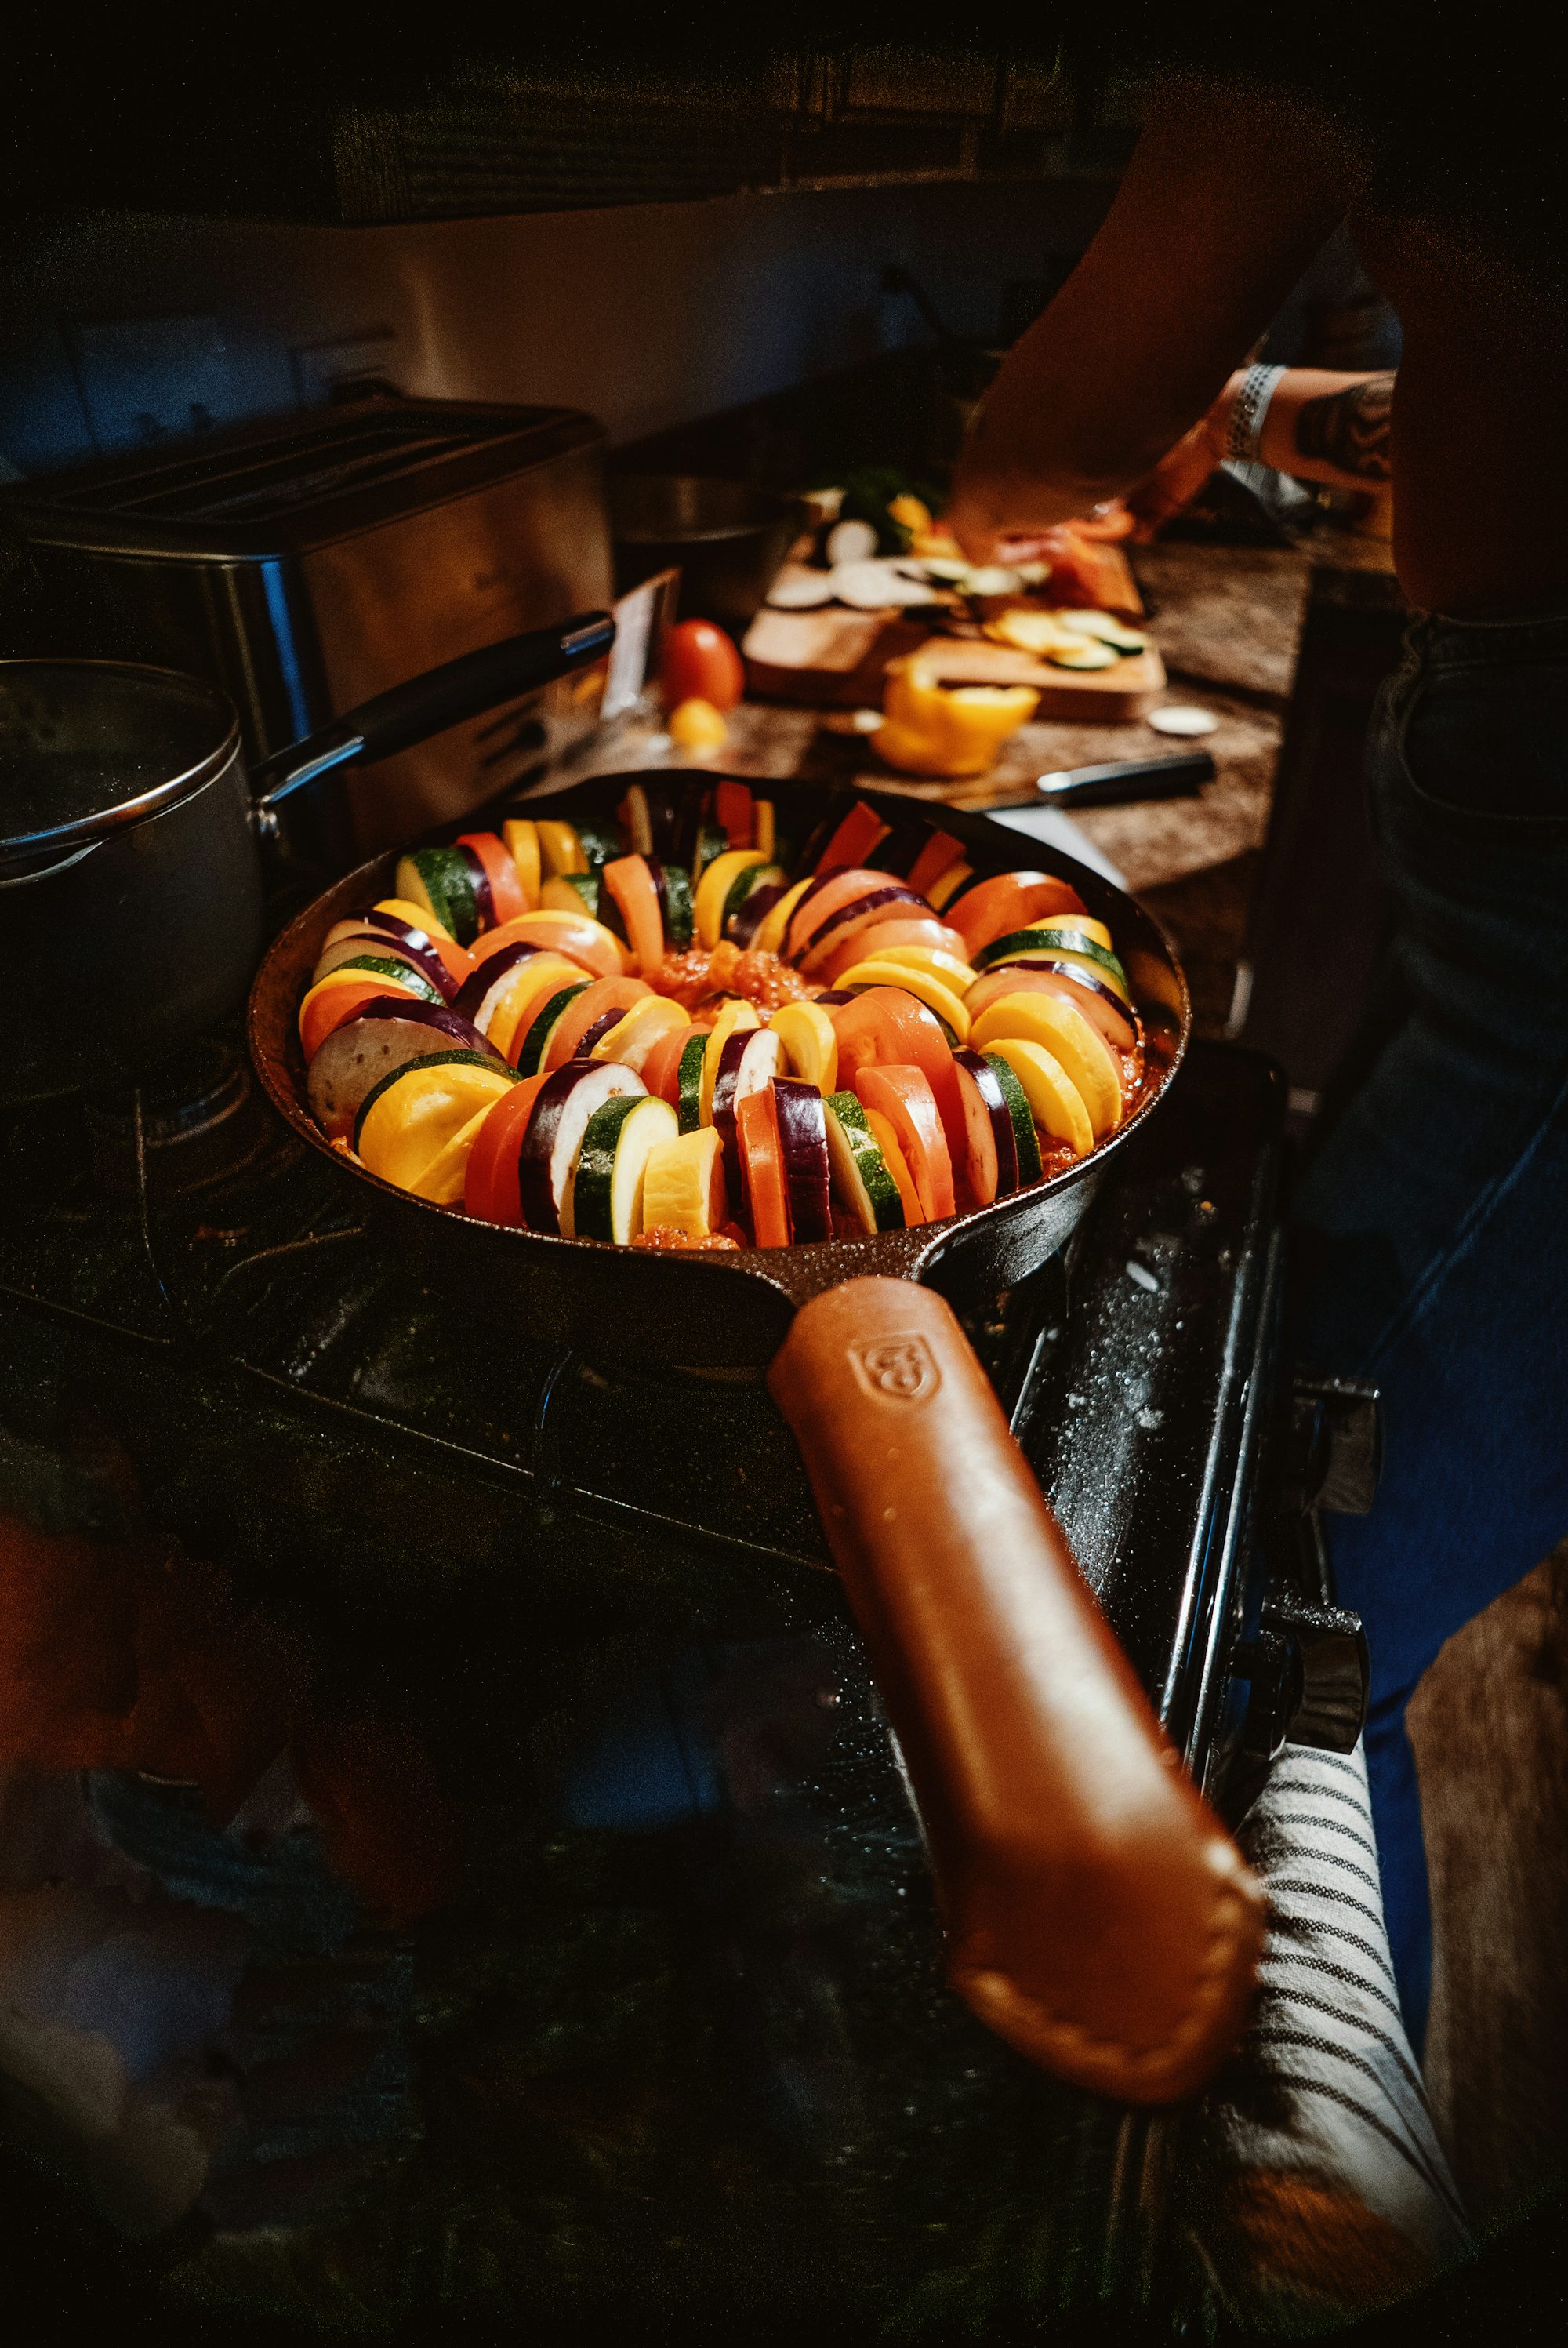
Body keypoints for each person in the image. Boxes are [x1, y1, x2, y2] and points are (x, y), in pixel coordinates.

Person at [947, 52, 1568, 2055]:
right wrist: (1252, 413)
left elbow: (1057, 427)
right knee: (1334, 1348)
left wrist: (994, 479)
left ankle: (1250, 2071)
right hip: (1510, 758)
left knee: (1304, 1508)